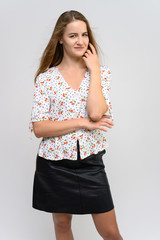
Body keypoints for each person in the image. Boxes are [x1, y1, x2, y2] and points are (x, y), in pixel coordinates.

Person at [29, 10, 123, 240]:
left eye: (84, 35)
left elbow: (95, 112)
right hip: (54, 164)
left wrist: (94, 70)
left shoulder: (101, 74)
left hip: (90, 162)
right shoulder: (46, 79)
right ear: (60, 38)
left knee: (110, 232)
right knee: (62, 226)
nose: (80, 41)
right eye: (73, 36)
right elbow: (39, 128)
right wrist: (82, 123)